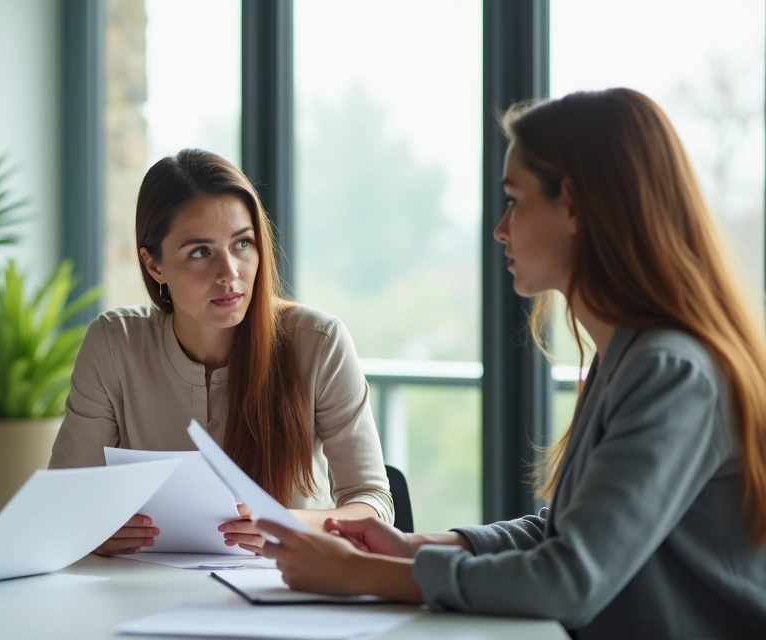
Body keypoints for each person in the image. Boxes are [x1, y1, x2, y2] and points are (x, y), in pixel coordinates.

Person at [251, 88, 766, 638]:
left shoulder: (671, 373)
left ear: (571, 206)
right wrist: (415, 547)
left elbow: (569, 578)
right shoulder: (627, 359)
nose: (501, 228)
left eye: (514, 200)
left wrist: (361, 575)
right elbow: (562, 533)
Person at [49, 149, 393, 556]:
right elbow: (63, 502)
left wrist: (289, 524)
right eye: (200, 252)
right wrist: (91, 531)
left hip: (288, 590)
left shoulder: (319, 342)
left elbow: (374, 506)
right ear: (154, 265)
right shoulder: (113, 343)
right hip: (144, 593)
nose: (229, 273)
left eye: (242, 243)